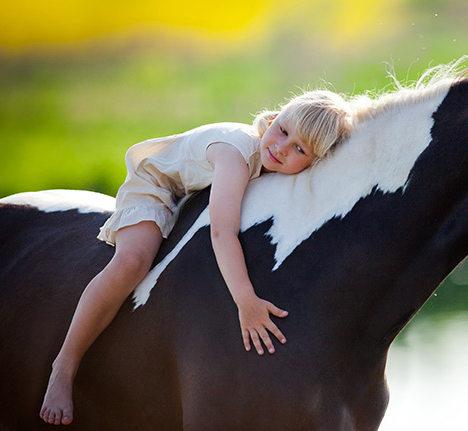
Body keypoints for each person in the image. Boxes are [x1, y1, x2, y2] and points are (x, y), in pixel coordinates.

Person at [39, 90, 354, 426]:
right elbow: (222, 233)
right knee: (133, 261)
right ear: (274, 119)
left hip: (194, 196)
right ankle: (64, 366)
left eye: (300, 149)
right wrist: (245, 300)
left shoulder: (272, 161)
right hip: (157, 187)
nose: (281, 148)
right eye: (283, 131)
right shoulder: (235, 155)